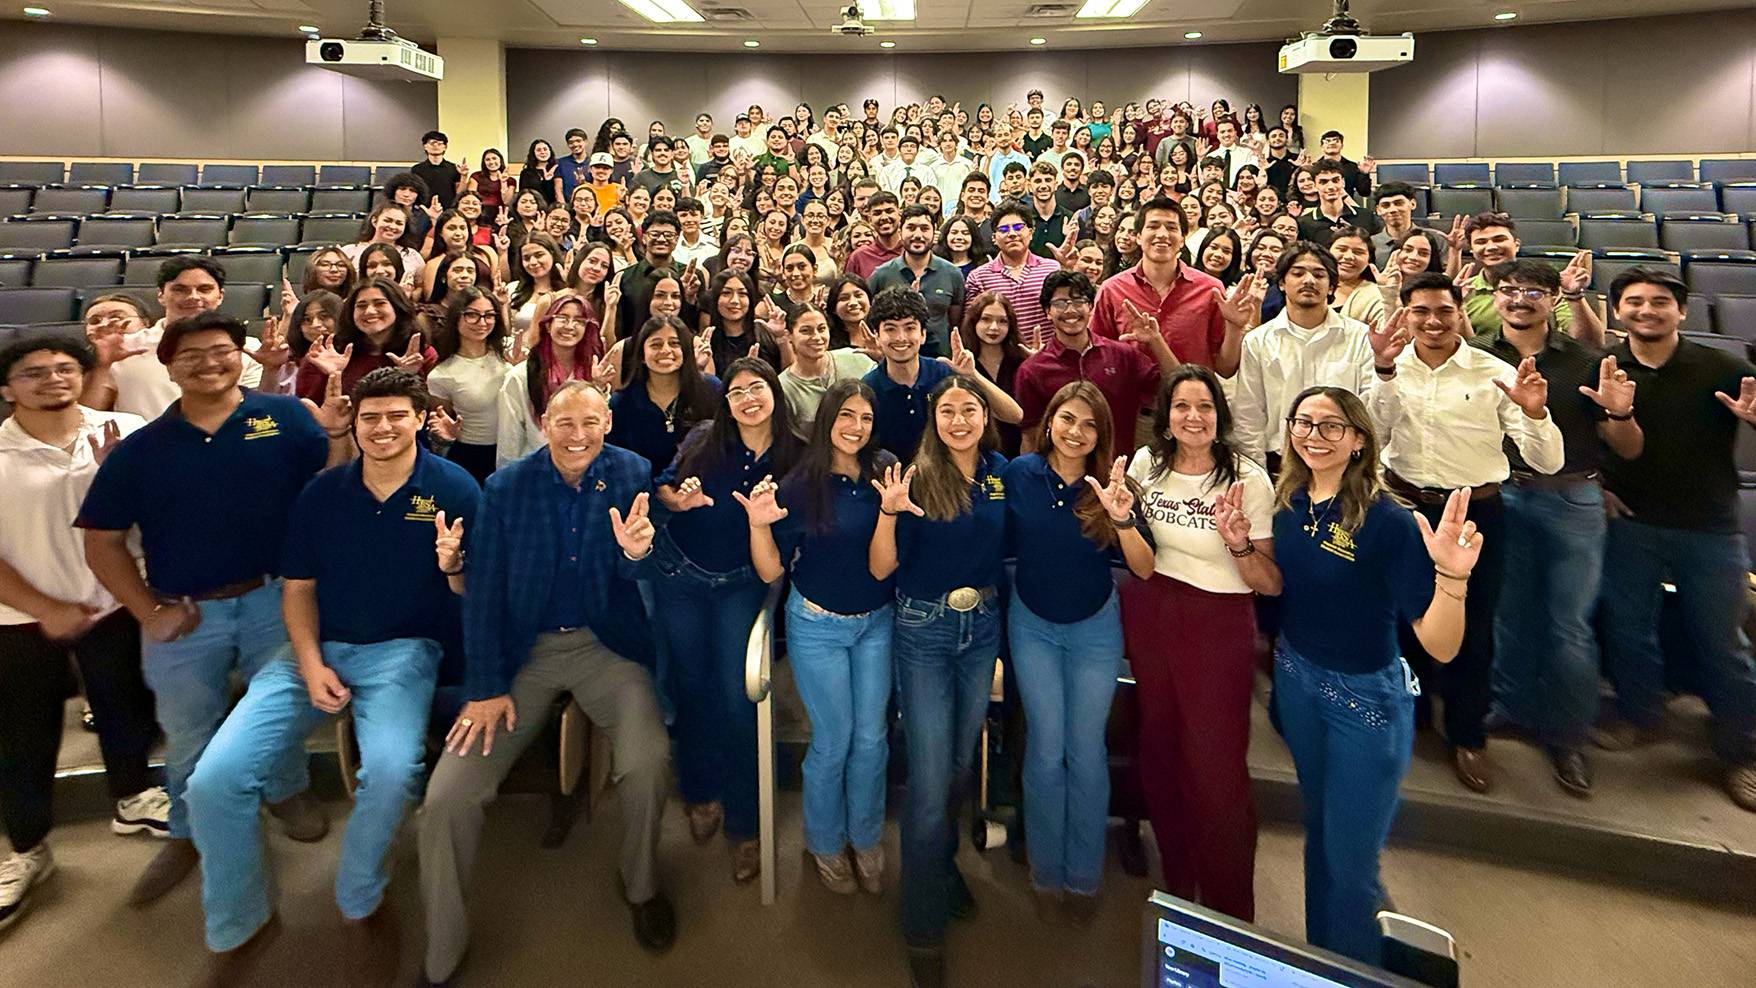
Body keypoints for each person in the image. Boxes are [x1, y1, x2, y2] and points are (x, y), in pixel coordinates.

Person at [184, 369, 478, 985]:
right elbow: (298, 590)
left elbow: (475, 595)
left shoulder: (454, 487)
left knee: (394, 772)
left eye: (398, 415)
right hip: (311, 653)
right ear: (356, 422)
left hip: (404, 653)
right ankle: (240, 922)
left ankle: (360, 904)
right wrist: (312, 663)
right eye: (371, 417)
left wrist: (454, 568)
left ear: (420, 419)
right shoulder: (322, 494)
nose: (384, 427)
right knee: (214, 780)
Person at [76, 312, 352, 916]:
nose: (209, 363)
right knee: (189, 730)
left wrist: (336, 437)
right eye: (192, 355)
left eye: (221, 350)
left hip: (274, 599)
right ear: (168, 367)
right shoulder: (142, 448)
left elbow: (335, 490)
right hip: (184, 615)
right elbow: (102, 541)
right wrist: (147, 611)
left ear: (242, 356)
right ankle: (188, 831)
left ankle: (286, 792)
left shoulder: (281, 419)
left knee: (276, 715)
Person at [419, 382, 677, 984]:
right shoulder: (505, 487)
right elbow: (482, 593)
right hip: (523, 651)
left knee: (646, 762)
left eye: (590, 422)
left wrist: (636, 555)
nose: (578, 435)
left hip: (605, 646)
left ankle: (640, 886)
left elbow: (643, 567)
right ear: (543, 423)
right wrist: (485, 685)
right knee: (447, 797)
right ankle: (441, 955)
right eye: (565, 423)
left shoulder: (632, 471)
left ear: (607, 422)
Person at [1269, 385, 1481, 965]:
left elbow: (1439, 643)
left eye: (1331, 425)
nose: (1314, 434)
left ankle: (1356, 971)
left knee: (1351, 863)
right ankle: (1325, 963)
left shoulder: (1390, 521)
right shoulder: (1290, 501)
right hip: (1296, 680)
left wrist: (1452, 578)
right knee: (1321, 838)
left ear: (1359, 440)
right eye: (1304, 422)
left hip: (1363, 702)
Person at [1365, 272, 1563, 794]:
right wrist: (1383, 370)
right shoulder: (1388, 365)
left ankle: (1467, 733)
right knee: (1403, 621)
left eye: (1443, 311)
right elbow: (1373, 432)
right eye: (1420, 312)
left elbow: (1548, 459)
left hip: (1476, 514)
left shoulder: (1494, 370)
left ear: (1461, 313)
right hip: (1407, 508)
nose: (1432, 322)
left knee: (1474, 630)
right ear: (1405, 314)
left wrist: (1536, 415)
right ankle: (1410, 717)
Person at [0, 337, 169, 931]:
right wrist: (43, 607)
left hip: (114, 605)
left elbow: (166, 516)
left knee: (126, 707)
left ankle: (133, 799)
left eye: (64, 368)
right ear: (7, 389)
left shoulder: (126, 427)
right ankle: (27, 849)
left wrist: (117, 478)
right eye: (33, 373)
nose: (52, 379)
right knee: (24, 735)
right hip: (20, 620)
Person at [1593, 268, 1756, 811]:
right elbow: (1620, 448)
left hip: (1709, 527)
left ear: (1681, 311)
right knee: (1630, 630)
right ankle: (1641, 715)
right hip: (1633, 523)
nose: (1646, 310)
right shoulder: (1607, 369)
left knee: (1724, 643)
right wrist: (1618, 417)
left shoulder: (1726, 369)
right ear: (1617, 311)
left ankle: (1741, 751)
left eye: (1659, 301)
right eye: (1634, 302)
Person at [1472, 260, 1636, 797]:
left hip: (1571, 501)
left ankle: (1568, 737)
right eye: (1510, 289)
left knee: (1569, 626)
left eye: (1534, 291)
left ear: (1553, 300)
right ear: (1495, 297)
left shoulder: (1588, 361)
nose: (1520, 299)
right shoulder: (1478, 361)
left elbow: (1626, 447)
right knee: (1510, 612)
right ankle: (1511, 706)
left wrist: (1618, 417)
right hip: (1503, 496)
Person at [1123, 365, 1278, 922]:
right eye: (1182, 406)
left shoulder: (1247, 480)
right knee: (1160, 753)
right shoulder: (1147, 465)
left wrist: (1237, 544)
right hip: (1153, 614)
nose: (1193, 417)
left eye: (1205, 407)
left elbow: (1270, 581)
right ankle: (1178, 879)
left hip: (1217, 623)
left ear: (1220, 415)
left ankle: (1230, 909)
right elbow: (1137, 540)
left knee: (1215, 770)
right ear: (1165, 416)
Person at [867, 374, 1008, 988]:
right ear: (933, 419)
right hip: (924, 630)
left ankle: (942, 869)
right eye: (946, 410)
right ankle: (921, 919)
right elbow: (881, 567)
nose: (958, 419)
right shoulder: (915, 476)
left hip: (981, 629)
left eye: (969, 409)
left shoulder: (1005, 472)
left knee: (955, 767)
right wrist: (888, 514)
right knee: (928, 781)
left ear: (984, 416)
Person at [736, 379, 895, 895]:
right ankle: (824, 842)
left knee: (871, 739)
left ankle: (865, 836)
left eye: (866, 419)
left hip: (877, 621)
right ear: (827, 418)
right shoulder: (801, 483)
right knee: (833, 740)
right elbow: (769, 572)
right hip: (818, 625)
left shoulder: (883, 470)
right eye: (846, 415)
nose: (856, 427)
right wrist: (759, 527)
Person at [1005, 381, 1154, 925]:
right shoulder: (1018, 474)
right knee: (1046, 748)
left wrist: (1120, 517)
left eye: (1089, 424)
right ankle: (1046, 871)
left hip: (1094, 628)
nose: (1076, 431)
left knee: (1085, 750)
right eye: (1067, 419)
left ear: (1101, 435)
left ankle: (1083, 874)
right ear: (1049, 423)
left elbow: (1142, 568)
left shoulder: (1112, 487)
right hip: (1033, 626)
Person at [653, 358, 802, 884]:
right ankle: (699, 791)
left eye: (756, 388)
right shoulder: (702, 438)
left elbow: (784, 549)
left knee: (740, 700)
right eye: (736, 392)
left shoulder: (796, 455)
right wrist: (680, 500)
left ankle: (745, 821)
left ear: (774, 394)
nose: (747, 398)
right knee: (690, 688)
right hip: (682, 577)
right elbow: (662, 489)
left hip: (743, 584)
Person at [1233, 243, 1374, 473]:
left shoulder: (1360, 337)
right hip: (1279, 466)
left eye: (1319, 274)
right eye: (1298, 273)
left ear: (1331, 287)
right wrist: (1256, 477)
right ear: (1281, 283)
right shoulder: (1258, 341)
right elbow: (1248, 417)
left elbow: (1369, 410)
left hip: (1345, 468)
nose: (1309, 280)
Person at [1015, 269, 1185, 457]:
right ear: (1048, 312)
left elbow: (1178, 386)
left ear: (1091, 307)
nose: (1070, 310)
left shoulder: (1123, 355)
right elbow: (1030, 438)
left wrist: (1155, 340)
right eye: (1060, 303)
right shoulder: (1033, 370)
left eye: (1079, 301)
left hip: (1117, 470)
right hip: (1059, 477)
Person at [80, 258, 265, 417]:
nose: (193, 297)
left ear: (220, 296)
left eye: (204, 289)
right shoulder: (125, 348)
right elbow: (90, 415)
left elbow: (259, 412)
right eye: (180, 290)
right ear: (161, 295)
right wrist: (101, 366)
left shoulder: (248, 347)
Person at [1091, 198, 1248, 376]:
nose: (1162, 234)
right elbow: (1097, 354)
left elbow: (1226, 369)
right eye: (1153, 226)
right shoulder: (1112, 289)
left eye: (1172, 228)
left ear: (1182, 239)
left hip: (1190, 400)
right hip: (1131, 400)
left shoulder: (1210, 289)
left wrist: (1235, 326)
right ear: (1138, 237)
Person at [861, 288, 1020, 458]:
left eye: (910, 328)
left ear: (922, 334)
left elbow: (1014, 415)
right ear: (877, 336)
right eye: (890, 329)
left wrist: (972, 376)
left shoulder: (945, 374)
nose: (901, 337)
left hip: (950, 478)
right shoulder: (867, 389)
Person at [496, 293, 608, 467]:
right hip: (535, 469)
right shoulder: (521, 376)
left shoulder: (592, 372)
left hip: (584, 465)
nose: (570, 326)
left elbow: (599, 425)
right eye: (562, 318)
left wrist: (598, 386)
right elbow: (509, 438)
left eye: (579, 320)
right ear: (548, 325)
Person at [608, 314, 721, 479]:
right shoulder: (622, 402)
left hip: (702, 491)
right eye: (656, 344)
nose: (666, 350)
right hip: (642, 494)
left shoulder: (711, 390)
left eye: (675, 343)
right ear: (642, 355)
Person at [1452, 213, 1588, 342]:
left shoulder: (1545, 287)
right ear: (1472, 251)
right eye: (1481, 242)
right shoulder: (1464, 291)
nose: (1491, 247)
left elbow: (1585, 342)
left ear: (1516, 245)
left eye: (1499, 239)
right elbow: (1460, 347)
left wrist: (1574, 295)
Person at [295, 278, 436, 402]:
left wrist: (411, 375)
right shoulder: (327, 353)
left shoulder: (421, 354)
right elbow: (307, 408)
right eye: (361, 306)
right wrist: (332, 375)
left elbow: (428, 411)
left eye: (379, 303)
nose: (369, 311)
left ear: (397, 308)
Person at [427, 287, 512, 484]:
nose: (482, 323)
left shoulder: (508, 355)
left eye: (489, 315)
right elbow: (442, 424)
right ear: (456, 317)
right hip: (473, 455)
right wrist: (447, 436)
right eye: (472, 315)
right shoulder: (441, 375)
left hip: (514, 448)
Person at [869, 205, 967, 358]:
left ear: (934, 232)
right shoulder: (881, 275)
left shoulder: (952, 273)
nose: (918, 234)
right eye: (911, 228)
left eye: (924, 228)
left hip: (940, 362)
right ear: (900, 232)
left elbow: (955, 322)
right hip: (895, 361)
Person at [964, 200, 1059, 349]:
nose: (1012, 234)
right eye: (1004, 229)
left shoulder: (1051, 269)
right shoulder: (979, 276)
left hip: (1046, 357)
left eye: (1018, 227)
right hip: (1000, 360)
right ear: (994, 238)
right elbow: (972, 325)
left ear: (1031, 232)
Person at [778, 303, 876, 437]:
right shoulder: (784, 387)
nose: (817, 337)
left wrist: (884, 359)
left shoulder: (856, 359)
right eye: (806, 330)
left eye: (821, 329)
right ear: (789, 335)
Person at [1295, 159, 1381, 246]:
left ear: (1343, 182)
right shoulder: (1304, 224)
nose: (1331, 186)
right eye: (1323, 182)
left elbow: (1376, 251)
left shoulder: (1367, 217)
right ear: (1315, 185)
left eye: (1335, 180)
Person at [1326, 226, 1386, 327]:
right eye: (1342, 249)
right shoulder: (1312, 284)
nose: (1349, 257)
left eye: (1358, 252)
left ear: (1369, 260)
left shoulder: (1377, 295)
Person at [845, 191, 903, 280]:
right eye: (877, 213)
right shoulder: (858, 257)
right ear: (870, 219)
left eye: (889, 211)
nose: (884, 217)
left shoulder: (913, 252)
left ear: (899, 214)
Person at [412, 131, 467, 210]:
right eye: (432, 143)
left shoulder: (453, 168)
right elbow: (414, 192)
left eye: (439, 143)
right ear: (425, 146)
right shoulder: (417, 169)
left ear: (445, 147)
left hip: (449, 211)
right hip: (424, 211)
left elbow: (460, 193)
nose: (436, 146)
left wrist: (464, 176)